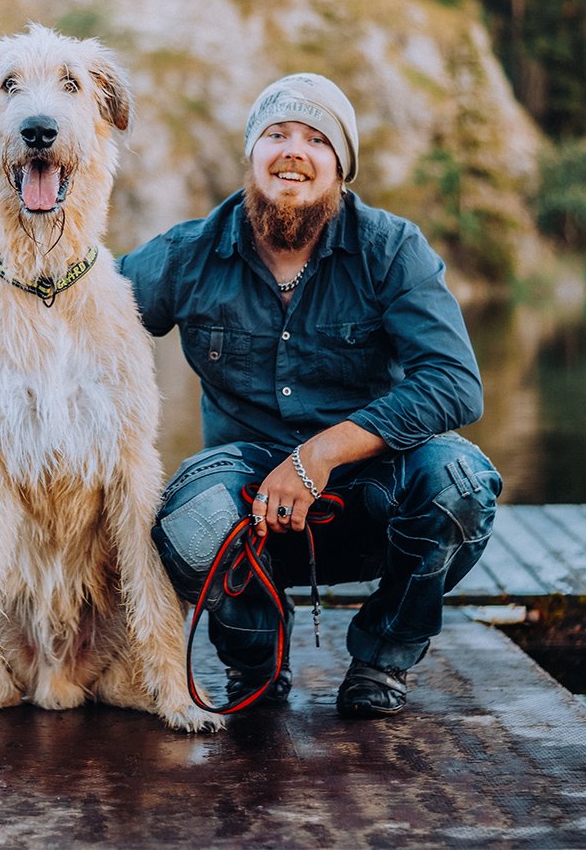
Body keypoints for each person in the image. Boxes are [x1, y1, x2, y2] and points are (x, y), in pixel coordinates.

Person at [118, 73, 502, 719]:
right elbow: (82, 315)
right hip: (249, 511)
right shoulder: (187, 255)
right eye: (277, 134)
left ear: (340, 166)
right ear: (252, 154)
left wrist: (318, 456)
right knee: (189, 512)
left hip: (369, 499)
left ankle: (381, 662)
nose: (294, 149)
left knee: (458, 482)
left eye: (317, 138)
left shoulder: (392, 249)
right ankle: (255, 666)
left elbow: (454, 384)